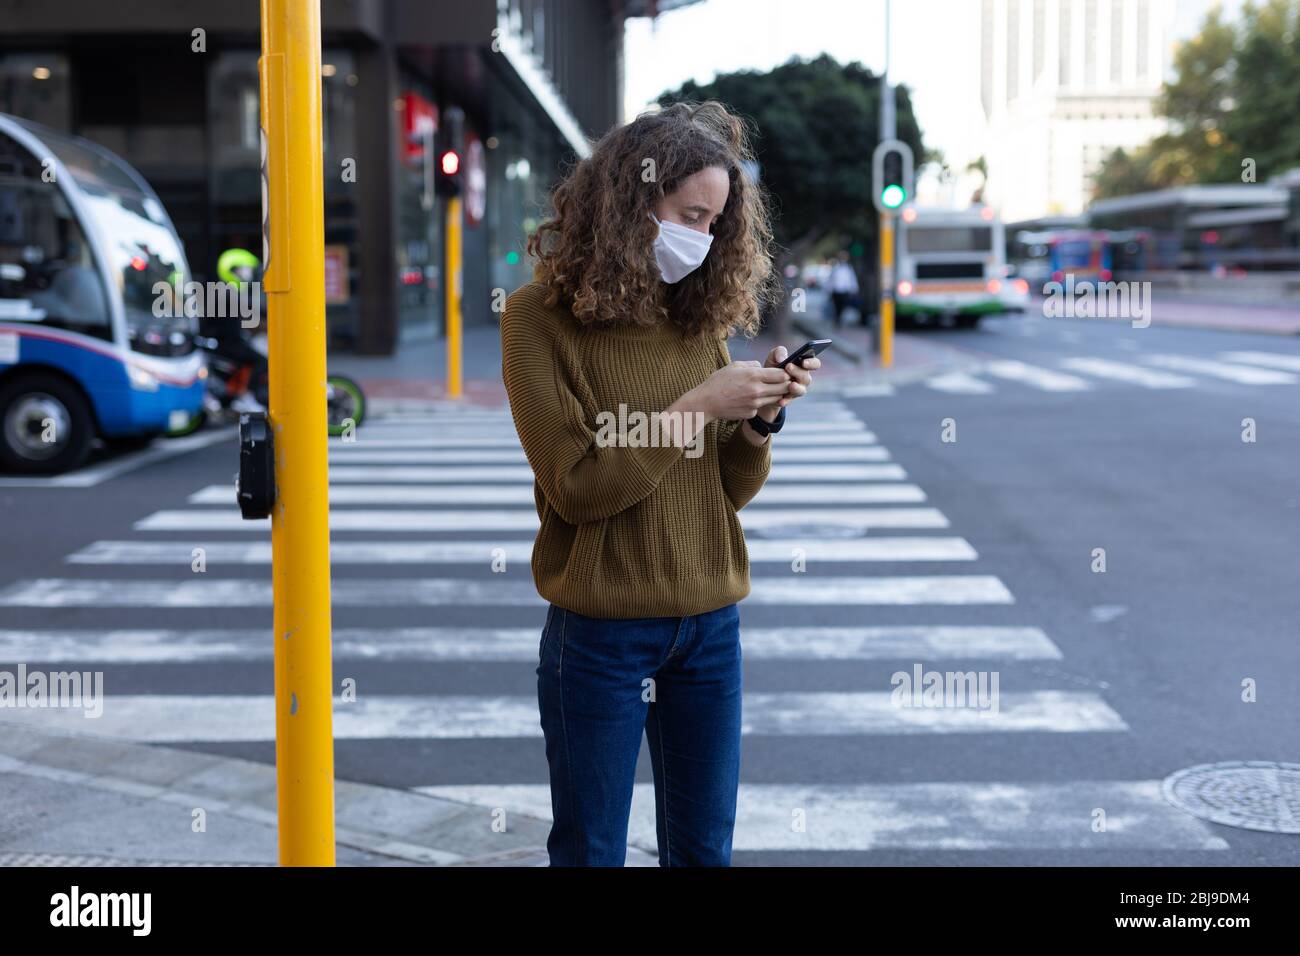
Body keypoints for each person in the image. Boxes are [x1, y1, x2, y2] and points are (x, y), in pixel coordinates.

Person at [500, 101, 820, 867]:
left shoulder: (696, 320)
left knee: (705, 850)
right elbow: (577, 486)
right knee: (590, 850)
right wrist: (693, 409)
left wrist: (757, 420)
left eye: (715, 223)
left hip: (710, 626)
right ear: (630, 201)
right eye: (691, 214)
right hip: (600, 632)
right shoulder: (534, 321)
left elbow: (722, 493)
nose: (702, 238)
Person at [828, 251, 859, 327]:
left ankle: (839, 321)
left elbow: (852, 280)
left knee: (842, 307)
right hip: (836, 291)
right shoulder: (835, 268)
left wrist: (854, 289)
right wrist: (829, 290)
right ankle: (836, 321)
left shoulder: (848, 268)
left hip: (844, 292)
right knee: (836, 307)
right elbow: (831, 280)